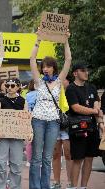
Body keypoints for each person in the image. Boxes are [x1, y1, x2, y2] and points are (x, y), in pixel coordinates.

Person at [29, 28, 72, 189]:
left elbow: (68, 60)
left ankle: (45, 186)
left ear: (54, 67)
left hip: (54, 122)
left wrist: (66, 40)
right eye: (43, 67)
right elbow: (32, 58)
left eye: (48, 66)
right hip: (38, 120)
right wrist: (38, 39)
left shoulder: (59, 81)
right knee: (36, 158)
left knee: (48, 157)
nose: (45, 69)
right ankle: (34, 186)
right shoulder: (39, 82)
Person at [65, 63, 104, 189]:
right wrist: (94, 111)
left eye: (87, 70)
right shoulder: (71, 88)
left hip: (92, 128)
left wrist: (101, 123)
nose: (86, 72)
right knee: (77, 159)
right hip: (78, 129)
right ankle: (74, 186)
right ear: (75, 73)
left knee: (89, 158)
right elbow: (76, 107)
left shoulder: (92, 87)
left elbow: (97, 103)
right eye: (83, 70)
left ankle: (83, 187)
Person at [0, 78, 33, 189]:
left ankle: (15, 187)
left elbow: (26, 119)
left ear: (18, 87)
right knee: (0, 164)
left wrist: (30, 132)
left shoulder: (23, 101)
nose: (9, 88)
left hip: (17, 137)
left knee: (16, 165)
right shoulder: (0, 100)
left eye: (12, 86)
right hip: (2, 136)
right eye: (7, 85)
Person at [51, 77, 72, 189]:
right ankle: (56, 181)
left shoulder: (71, 91)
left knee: (68, 154)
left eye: (63, 79)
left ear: (68, 81)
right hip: (54, 126)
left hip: (67, 126)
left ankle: (70, 182)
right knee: (55, 155)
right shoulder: (52, 91)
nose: (61, 82)